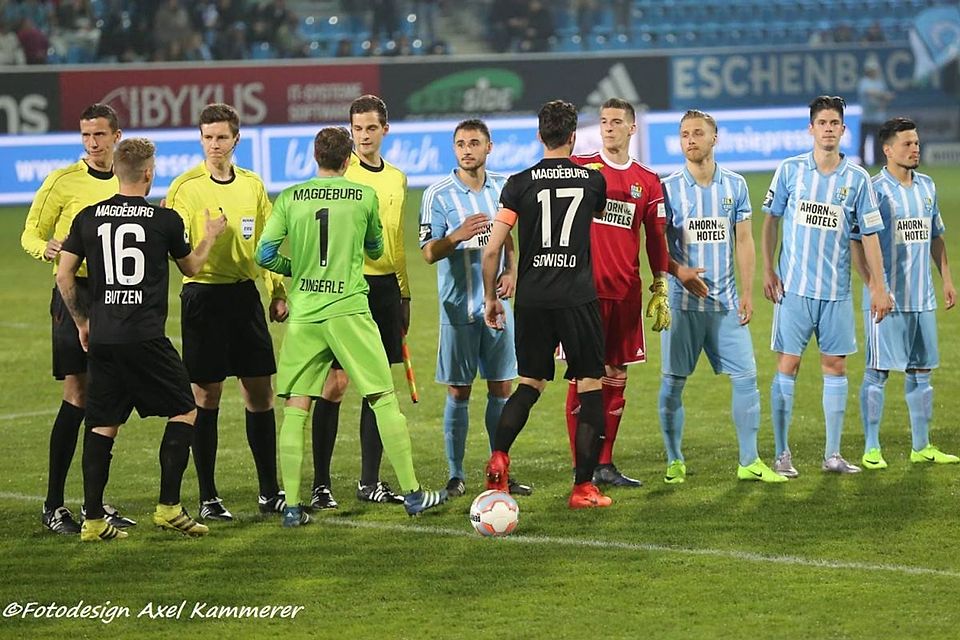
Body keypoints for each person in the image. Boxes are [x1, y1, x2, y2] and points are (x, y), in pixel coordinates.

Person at [255, 126, 448, 526]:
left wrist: (298, 269)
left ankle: (292, 507)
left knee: (295, 409)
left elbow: (264, 252)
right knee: (382, 398)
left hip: (306, 312)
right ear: (349, 160)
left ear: (314, 156)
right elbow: (378, 249)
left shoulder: (291, 197)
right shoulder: (363, 195)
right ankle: (413, 494)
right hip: (349, 311)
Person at [55, 137, 227, 541]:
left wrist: (82, 321)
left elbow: (65, 275)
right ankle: (168, 507)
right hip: (146, 337)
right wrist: (210, 235)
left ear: (116, 170)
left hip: (104, 338)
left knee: (102, 424)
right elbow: (193, 267)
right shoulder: (163, 221)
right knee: (185, 409)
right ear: (149, 173)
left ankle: (94, 520)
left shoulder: (87, 217)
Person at [482, 100, 611, 509]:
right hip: (577, 297)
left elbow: (492, 250)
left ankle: (499, 459)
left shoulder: (519, 184)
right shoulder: (593, 182)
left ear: (539, 135)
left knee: (530, 384)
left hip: (534, 299)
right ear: (573, 137)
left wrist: (490, 297)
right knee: (591, 386)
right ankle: (583, 488)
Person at [166, 103, 287, 521]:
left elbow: (267, 245)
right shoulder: (184, 188)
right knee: (206, 395)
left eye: (221, 137)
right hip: (202, 298)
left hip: (244, 297)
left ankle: (270, 491)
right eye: (207, 137)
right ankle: (209, 496)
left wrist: (277, 289)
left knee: (260, 392)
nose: (214, 145)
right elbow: (175, 249)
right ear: (200, 140)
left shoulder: (252, 185)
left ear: (237, 140)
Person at [762, 95, 894, 477]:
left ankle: (832, 455)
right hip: (794, 289)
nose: (828, 129)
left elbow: (869, 236)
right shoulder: (790, 171)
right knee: (788, 364)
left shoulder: (856, 180)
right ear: (811, 128)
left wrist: (879, 287)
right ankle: (783, 455)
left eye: (835, 123)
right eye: (822, 122)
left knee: (835, 368)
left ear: (843, 128)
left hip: (836, 291)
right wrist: (768, 271)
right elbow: (771, 220)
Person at [21, 103, 135, 535]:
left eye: (100, 135)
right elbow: (30, 231)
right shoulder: (63, 181)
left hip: (117, 293)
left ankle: (94, 502)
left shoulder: (125, 178)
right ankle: (53, 504)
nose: (92, 143)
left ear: (116, 136)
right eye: (86, 135)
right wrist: (45, 248)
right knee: (78, 393)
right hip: (76, 293)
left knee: (109, 396)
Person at [658, 110, 785, 484]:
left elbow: (743, 241)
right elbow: (655, 246)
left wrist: (746, 292)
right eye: (685, 134)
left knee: (747, 377)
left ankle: (749, 461)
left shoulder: (736, 185)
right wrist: (677, 274)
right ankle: (674, 459)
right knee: (673, 384)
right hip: (682, 307)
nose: (691, 139)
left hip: (726, 303)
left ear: (715, 138)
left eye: (698, 133)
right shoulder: (667, 188)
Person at [419, 119, 531, 498]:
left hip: (497, 307)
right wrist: (457, 235)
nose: (467, 150)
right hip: (457, 309)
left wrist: (512, 271)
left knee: (502, 387)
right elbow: (428, 253)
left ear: (489, 147)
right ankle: (455, 474)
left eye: (474, 143)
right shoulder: (438, 195)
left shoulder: (503, 188)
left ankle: (498, 468)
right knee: (459, 392)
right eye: (461, 144)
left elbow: (509, 237)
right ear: (454, 149)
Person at [309, 95, 409, 510]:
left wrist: (404, 292)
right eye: (357, 129)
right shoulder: (338, 177)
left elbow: (396, 241)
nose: (363, 136)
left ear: (385, 130)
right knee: (334, 385)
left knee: (377, 386)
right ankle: (321, 483)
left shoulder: (397, 178)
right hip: (346, 289)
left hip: (385, 289)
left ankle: (370, 481)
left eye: (371, 128)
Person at [566, 97, 670, 488]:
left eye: (616, 122)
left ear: (632, 128)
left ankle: (604, 463)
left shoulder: (647, 180)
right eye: (604, 121)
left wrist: (660, 282)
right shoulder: (580, 169)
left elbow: (656, 240)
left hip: (626, 293)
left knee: (616, 376)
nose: (608, 127)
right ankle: (583, 467)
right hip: (583, 293)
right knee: (582, 378)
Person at [853, 117, 958, 469]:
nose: (915, 148)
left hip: (922, 298)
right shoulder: (874, 189)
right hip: (887, 300)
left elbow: (936, 235)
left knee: (921, 373)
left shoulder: (927, 186)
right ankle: (871, 447)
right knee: (878, 372)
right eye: (907, 144)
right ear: (888, 149)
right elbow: (858, 243)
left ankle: (922, 445)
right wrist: (874, 287)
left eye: (916, 142)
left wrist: (945, 279)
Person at [857, 58, 894, 167]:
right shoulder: (864, 82)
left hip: (878, 117)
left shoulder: (880, 83)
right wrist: (883, 95)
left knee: (878, 141)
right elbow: (869, 92)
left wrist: (884, 98)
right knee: (863, 141)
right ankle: (863, 161)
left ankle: (878, 160)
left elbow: (884, 99)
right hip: (866, 117)